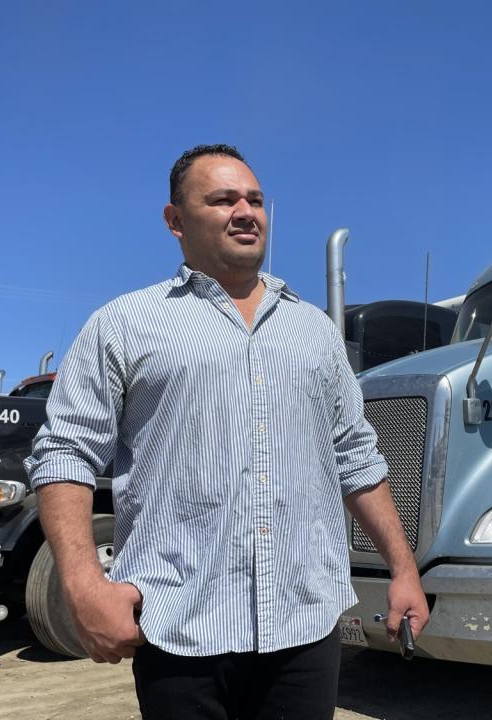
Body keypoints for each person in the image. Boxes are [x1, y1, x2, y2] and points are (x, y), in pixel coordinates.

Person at [25, 144, 429, 719]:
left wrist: (403, 569)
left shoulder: (313, 331)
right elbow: (65, 453)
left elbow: (356, 457)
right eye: (222, 199)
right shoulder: (124, 325)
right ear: (175, 221)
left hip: (305, 626)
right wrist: (83, 584)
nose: (246, 211)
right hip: (181, 628)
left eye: (255, 199)